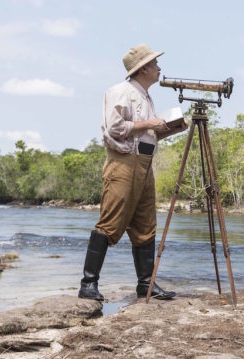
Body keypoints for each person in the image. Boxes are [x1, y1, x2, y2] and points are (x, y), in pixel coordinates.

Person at [78, 43, 186, 301]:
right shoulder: (120, 91)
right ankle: (88, 284)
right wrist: (151, 122)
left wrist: (171, 128)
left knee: (145, 224)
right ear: (143, 69)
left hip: (145, 164)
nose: (159, 68)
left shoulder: (146, 96)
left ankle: (145, 284)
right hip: (124, 162)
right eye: (155, 64)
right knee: (110, 221)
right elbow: (115, 128)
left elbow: (147, 133)